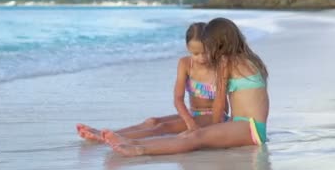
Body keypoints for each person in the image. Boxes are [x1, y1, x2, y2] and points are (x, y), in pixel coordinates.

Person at [103, 17, 269, 156]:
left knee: (195, 136)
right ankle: (134, 142)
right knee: (192, 134)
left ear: (218, 43)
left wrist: (214, 128)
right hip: (250, 126)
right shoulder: (251, 60)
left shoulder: (227, 61)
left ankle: (139, 148)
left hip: (249, 127)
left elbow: (219, 102)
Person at [77, 22, 227, 142]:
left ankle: (111, 139)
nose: (202, 58)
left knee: (163, 127)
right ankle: (106, 134)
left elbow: (220, 102)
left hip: (214, 115)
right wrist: (189, 121)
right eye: (196, 53)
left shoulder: (220, 66)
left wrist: (213, 128)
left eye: (206, 52)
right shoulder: (185, 63)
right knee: (152, 121)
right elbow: (178, 98)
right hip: (194, 113)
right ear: (188, 48)